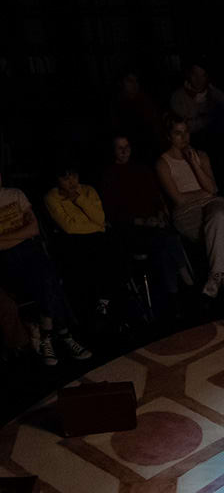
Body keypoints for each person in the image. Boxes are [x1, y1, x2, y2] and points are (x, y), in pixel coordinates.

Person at [0, 169, 90, 366]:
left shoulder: (15, 194)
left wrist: (9, 238)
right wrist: (19, 235)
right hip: (7, 259)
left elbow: (34, 229)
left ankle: (47, 335)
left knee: (46, 274)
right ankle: (64, 335)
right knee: (46, 277)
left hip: (29, 250)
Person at [101, 134, 192, 318]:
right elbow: (112, 213)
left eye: (127, 146)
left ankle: (175, 293)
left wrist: (159, 214)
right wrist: (141, 221)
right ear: (113, 151)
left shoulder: (141, 170)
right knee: (164, 240)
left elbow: (156, 197)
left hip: (154, 223)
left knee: (166, 239)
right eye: (120, 148)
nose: (125, 151)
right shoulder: (108, 176)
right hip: (131, 230)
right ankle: (186, 282)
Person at [155, 113, 224, 299]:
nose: (184, 137)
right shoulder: (163, 163)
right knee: (222, 226)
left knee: (219, 216)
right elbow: (178, 199)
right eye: (178, 133)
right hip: (186, 213)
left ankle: (214, 277)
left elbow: (212, 189)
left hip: (213, 203)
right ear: (169, 135)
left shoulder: (201, 156)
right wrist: (203, 193)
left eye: (186, 132)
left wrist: (194, 165)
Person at [44, 162, 128, 320]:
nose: (71, 182)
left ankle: (109, 302)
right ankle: (92, 308)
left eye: (74, 176)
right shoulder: (52, 197)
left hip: (98, 237)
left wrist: (79, 199)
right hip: (74, 240)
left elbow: (100, 218)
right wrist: (94, 225)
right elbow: (68, 226)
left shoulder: (88, 191)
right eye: (65, 178)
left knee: (112, 253)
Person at [169, 62, 224, 160]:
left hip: (217, 150)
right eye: (194, 74)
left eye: (202, 75)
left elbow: (223, 124)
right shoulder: (177, 97)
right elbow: (184, 127)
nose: (198, 79)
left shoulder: (218, 96)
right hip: (188, 152)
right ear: (188, 74)